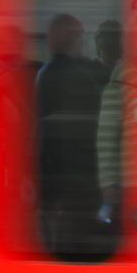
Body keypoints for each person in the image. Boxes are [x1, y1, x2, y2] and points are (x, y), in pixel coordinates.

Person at [35, 13, 110, 257]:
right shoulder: (82, 74)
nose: (83, 41)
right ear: (71, 39)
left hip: (56, 174)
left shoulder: (44, 74)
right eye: (80, 36)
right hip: (81, 174)